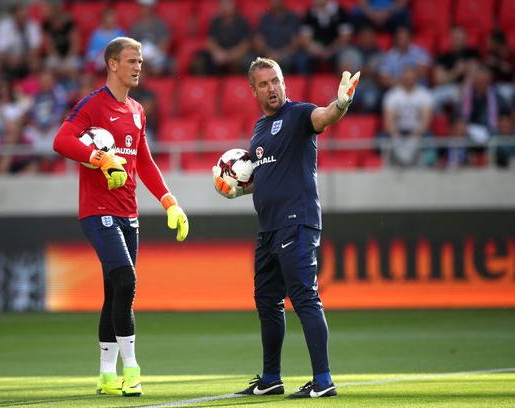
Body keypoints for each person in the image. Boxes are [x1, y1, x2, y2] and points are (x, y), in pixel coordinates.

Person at [212, 57, 359, 399]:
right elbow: (264, 176)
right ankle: (271, 378)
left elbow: (324, 116)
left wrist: (341, 104)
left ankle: (323, 380)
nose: (271, 88)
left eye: (275, 81)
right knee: (267, 302)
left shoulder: (298, 115)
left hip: (297, 223)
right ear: (253, 90)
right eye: (263, 84)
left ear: (283, 82)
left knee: (305, 298)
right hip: (268, 229)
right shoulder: (259, 131)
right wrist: (239, 187)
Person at [53, 36, 188, 397]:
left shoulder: (137, 111)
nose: (138, 66)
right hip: (98, 211)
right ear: (112, 64)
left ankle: (105, 375)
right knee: (126, 280)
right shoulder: (92, 106)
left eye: (141, 61)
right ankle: (132, 369)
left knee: (115, 291)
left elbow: (144, 161)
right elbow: (62, 140)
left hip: (130, 212)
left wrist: (169, 201)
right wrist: (99, 158)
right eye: (132, 60)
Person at [381, 64, 435, 167]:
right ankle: (390, 167)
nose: (409, 80)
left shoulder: (424, 95)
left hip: (417, 131)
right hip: (399, 130)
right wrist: (396, 135)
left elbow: (426, 120)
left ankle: (427, 167)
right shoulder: (392, 95)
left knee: (429, 138)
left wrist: (416, 135)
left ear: (416, 78)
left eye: (411, 78)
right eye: (406, 78)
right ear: (402, 78)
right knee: (382, 138)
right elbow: (389, 120)